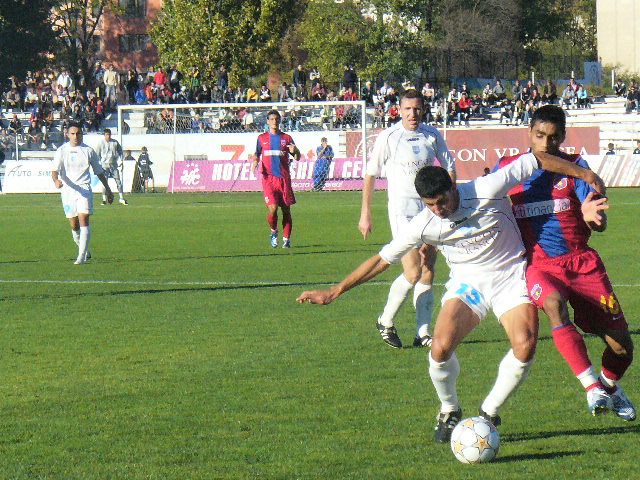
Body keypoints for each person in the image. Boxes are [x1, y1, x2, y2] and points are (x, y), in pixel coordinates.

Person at [298, 151, 604, 443]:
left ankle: (489, 412)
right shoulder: (424, 223)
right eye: (429, 204)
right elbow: (382, 259)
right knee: (440, 347)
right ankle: (449, 409)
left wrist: (584, 173)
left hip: (510, 277)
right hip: (468, 284)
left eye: (441, 201)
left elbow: (536, 159)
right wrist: (335, 291)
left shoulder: (488, 187)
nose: (438, 209)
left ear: (452, 187)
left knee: (524, 346)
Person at [495, 104, 635, 420]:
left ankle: (609, 387)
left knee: (622, 347)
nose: (545, 144)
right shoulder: (507, 168)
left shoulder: (576, 166)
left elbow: (598, 217)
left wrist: (593, 219)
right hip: (539, 267)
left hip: (582, 264)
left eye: (553, 137)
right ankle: (590, 387)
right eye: (539, 135)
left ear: (563, 137)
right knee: (554, 304)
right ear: (529, 132)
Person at [359, 89, 456, 349]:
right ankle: (386, 320)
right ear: (399, 110)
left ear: (423, 109)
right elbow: (370, 175)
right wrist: (365, 213)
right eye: (408, 109)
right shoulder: (389, 137)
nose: (413, 113)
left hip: (430, 210)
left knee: (428, 268)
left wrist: (449, 200)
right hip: (403, 212)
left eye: (417, 108)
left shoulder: (431, 134)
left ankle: (422, 333)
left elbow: (450, 166)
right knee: (412, 272)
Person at [51, 124, 114, 264]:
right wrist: (56, 181)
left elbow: (99, 172)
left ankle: (81, 257)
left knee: (84, 219)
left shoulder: (88, 151)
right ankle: (83, 248)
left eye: (78, 133)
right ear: (67, 134)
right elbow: (54, 170)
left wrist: (108, 190)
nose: (75, 136)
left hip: (84, 189)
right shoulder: (61, 151)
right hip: (68, 191)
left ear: (82, 134)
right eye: (72, 133)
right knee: (74, 225)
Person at [249, 110, 300, 249]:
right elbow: (257, 153)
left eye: (277, 119)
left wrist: (295, 151)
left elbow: (297, 157)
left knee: (286, 210)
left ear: (280, 120)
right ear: (267, 121)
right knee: (272, 209)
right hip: (268, 180)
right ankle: (273, 231)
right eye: (272, 119)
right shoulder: (261, 138)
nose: (274, 121)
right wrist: (254, 162)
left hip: (284, 179)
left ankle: (286, 239)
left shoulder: (287, 138)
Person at [95, 128, 128, 205]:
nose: (108, 136)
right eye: (106, 135)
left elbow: (120, 152)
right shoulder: (100, 143)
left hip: (113, 164)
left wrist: (121, 161)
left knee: (118, 181)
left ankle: (121, 198)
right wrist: (99, 164)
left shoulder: (115, 142)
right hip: (104, 165)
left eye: (109, 134)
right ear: (104, 135)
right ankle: (104, 199)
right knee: (104, 182)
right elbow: (97, 154)